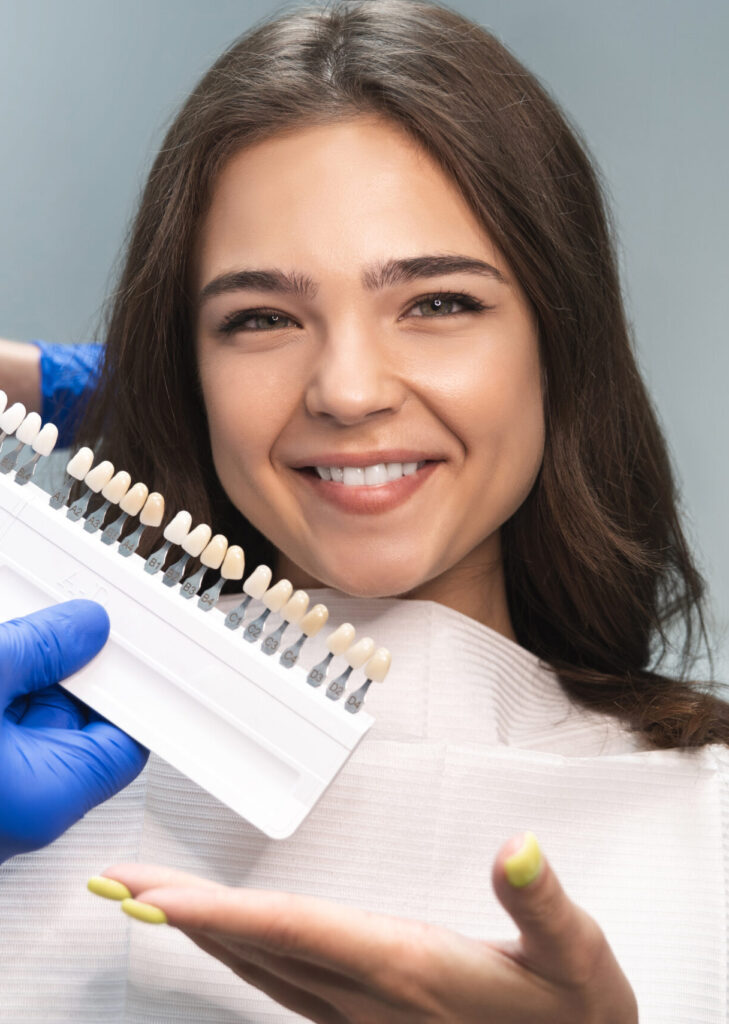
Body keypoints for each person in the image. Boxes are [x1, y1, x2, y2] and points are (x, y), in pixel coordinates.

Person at [1, 0, 727, 1020]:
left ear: (564, 343)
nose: (346, 389)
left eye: (437, 303)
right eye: (260, 318)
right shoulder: (33, 805)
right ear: (188, 368)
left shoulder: (711, 832)